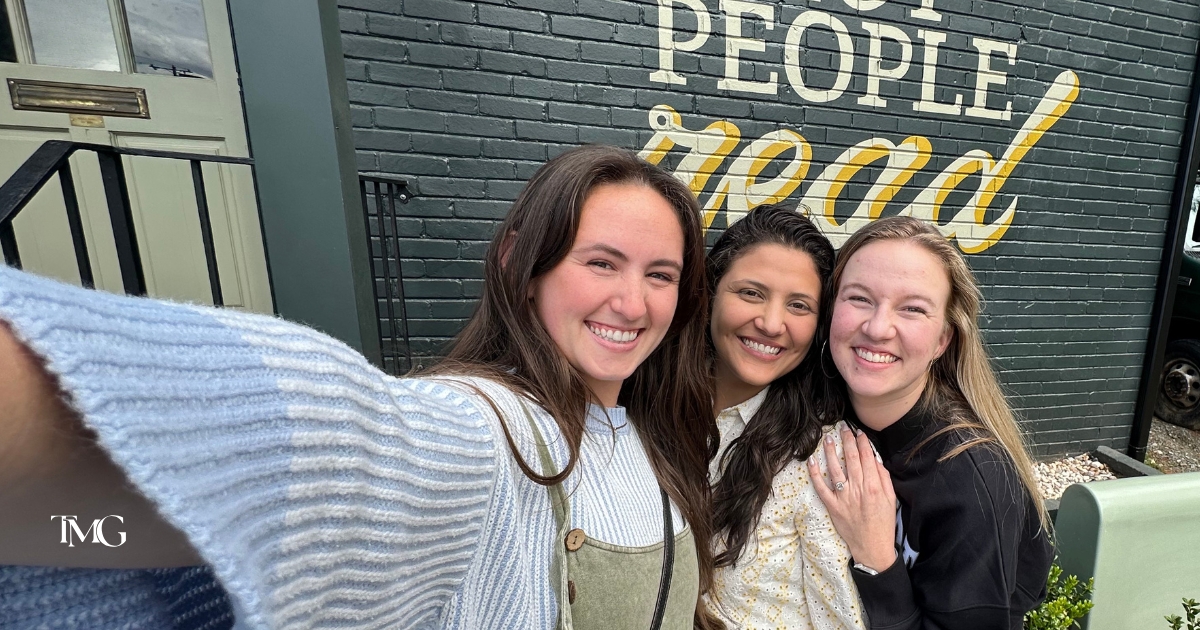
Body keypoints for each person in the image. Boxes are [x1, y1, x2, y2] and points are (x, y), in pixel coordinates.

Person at [0, 145, 721, 630]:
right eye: (601, 263)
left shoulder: (650, 431)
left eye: (660, 275)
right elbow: (335, 436)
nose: (634, 303)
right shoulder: (483, 428)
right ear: (520, 264)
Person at [805, 216, 1053, 629]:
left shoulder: (972, 482)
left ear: (942, 340)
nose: (877, 328)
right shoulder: (817, 408)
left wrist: (877, 560)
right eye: (859, 298)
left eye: (913, 309)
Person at [703, 204, 866, 629]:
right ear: (711, 293)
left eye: (799, 305)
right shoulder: (645, 413)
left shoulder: (825, 456)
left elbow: (841, 619)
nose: (772, 323)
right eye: (751, 293)